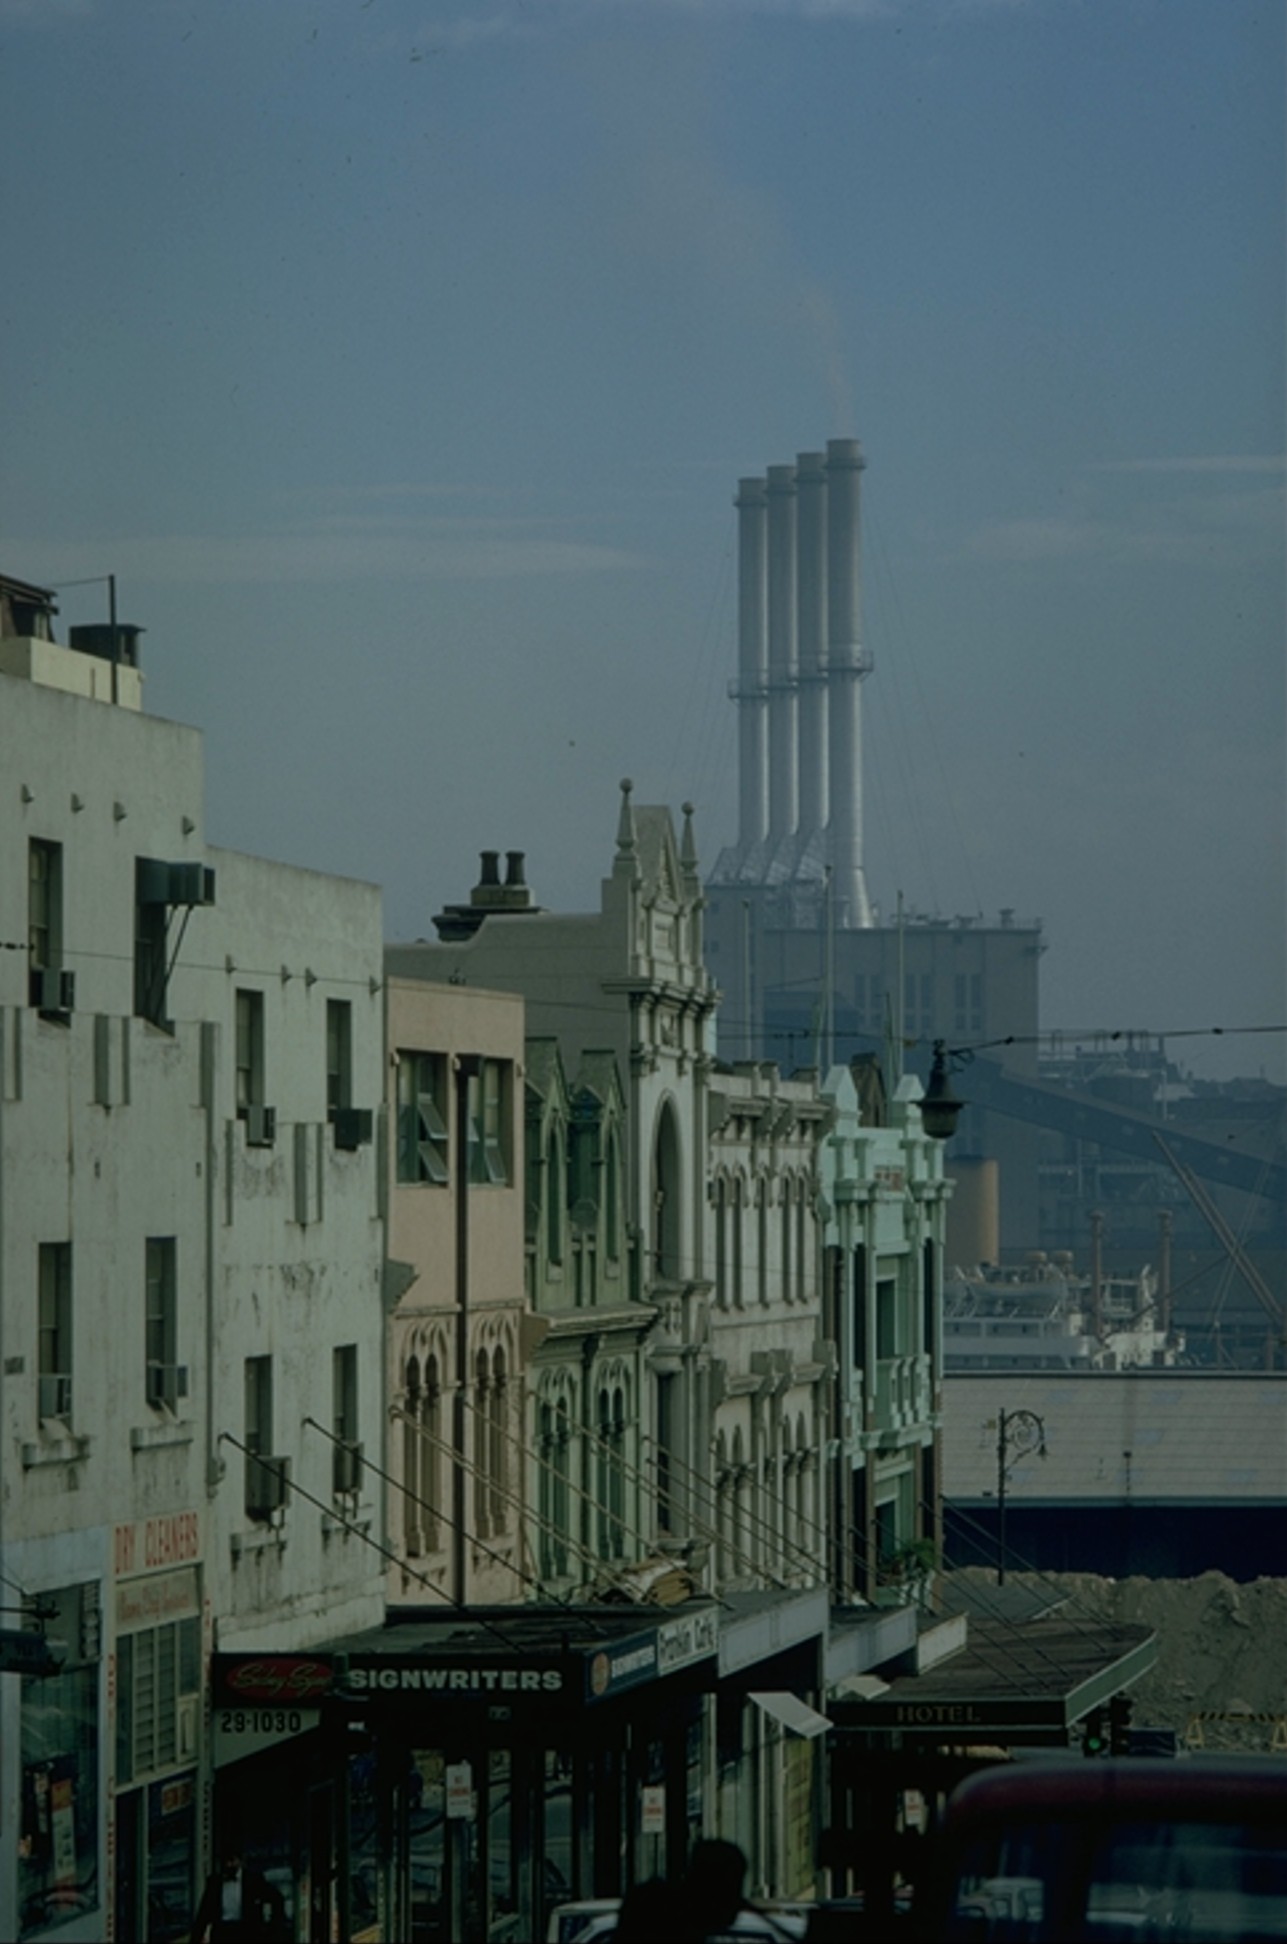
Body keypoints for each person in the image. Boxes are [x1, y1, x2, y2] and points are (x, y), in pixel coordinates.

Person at [192, 1848, 287, 1944]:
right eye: (225, 1861)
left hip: (246, 1932)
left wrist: (273, 1929)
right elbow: (203, 1914)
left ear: (240, 1861)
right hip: (222, 1933)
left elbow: (277, 1899)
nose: (228, 1865)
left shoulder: (253, 1880)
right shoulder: (214, 1882)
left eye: (232, 1860)